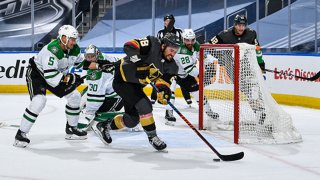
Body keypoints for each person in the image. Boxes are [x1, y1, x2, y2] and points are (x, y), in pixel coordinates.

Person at [13, 25, 111, 148]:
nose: (74, 42)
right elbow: (51, 78)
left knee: (75, 97)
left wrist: (99, 66)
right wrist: (71, 79)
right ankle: (21, 134)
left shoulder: (73, 49)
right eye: (72, 39)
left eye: (75, 39)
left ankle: (71, 129)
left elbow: (81, 63)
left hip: (56, 74)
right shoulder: (52, 50)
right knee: (39, 101)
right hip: (37, 75)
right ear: (63, 38)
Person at [98, 33, 180, 151]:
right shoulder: (152, 44)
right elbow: (129, 46)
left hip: (135, 86)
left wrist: (163, 90)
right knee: (145, 105)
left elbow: (162, 82)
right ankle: (153, 137)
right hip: (122, 80)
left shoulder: (171, 67)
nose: (173, 54)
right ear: (163, 45)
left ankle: (105, 125)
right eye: (171, 50)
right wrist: (140, 63)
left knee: (132, 121)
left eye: (175, 51)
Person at [208, 14, 266, 124]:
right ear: (234, 25)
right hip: (230, 66)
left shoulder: (251, 33)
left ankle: (259, 111)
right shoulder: (224, 35)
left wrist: (260, 62)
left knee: (253, 87)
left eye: (243, 25)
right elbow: (208, 45)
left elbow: (257, 48)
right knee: (246, 88)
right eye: (239, 25)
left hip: (244, 64)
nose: (241, 28)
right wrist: (221, 57)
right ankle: (258, 110)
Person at [78, 44, 140, 144]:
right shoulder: (104, 59)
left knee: (95, 115)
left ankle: (131, 118)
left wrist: (88, 113)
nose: (90, 59)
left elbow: (95, 99)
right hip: (113, 90)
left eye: (92, 56)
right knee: (84, 95)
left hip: (116, 96)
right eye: (87, 57)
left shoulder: (98, 72)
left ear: (97, 55)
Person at [164, 29, 219, 126]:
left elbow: (201, 55)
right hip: (171, 72)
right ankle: (169, 112)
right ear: (183, 39)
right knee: (171, 90)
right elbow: (191, 70)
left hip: (184, 74)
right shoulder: (181, 51)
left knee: (198, 92)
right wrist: (202, 75)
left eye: (192, 40)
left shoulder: (195, 44)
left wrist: (209, 64)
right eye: (187, 40)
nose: (190, 43)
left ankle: (208, 111)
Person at [151, 14, 193, 106]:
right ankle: (153, 97)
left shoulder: (179, 32)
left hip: (177, 58)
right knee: (158, 76)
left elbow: (183, 45)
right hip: (165, 58)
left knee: (182, 76)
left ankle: (187, 97)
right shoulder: (160, 32)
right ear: (164, 22)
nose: (167, 22)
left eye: (170, 20)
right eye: (166, 20)